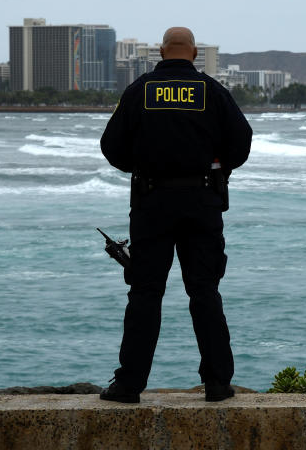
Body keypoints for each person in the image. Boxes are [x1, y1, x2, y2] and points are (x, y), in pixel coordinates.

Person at [98, 26, 252, 403]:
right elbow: (242, 140)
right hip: (202, 201)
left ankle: (129, 385)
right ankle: (217, 383)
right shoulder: (213, 92)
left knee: (146, 293)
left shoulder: (139, 91)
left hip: (152, 202)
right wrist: (218, 169)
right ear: (195, 53)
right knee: (204, 291)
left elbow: (111, 145)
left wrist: (142, 167)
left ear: (162, 52)